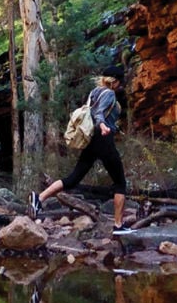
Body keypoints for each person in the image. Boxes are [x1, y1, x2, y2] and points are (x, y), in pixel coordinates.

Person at [31, 66, 133, 235]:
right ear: (115, 81)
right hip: (103, 139)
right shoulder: (109, 93)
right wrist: (103, 126)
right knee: (120, 183)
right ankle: (118, 226)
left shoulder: (95, 92)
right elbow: (99, 114)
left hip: (91, 140)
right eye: (120, 82)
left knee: (73, 178)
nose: (121, 85)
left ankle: (39, 198)